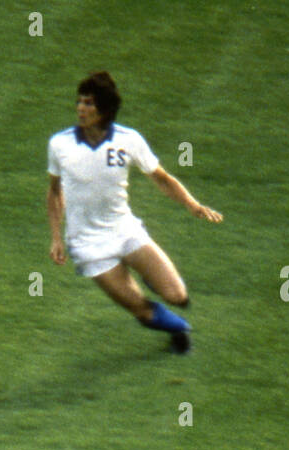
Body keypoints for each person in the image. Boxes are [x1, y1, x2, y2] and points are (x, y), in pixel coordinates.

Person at [47, 71, 223, 353]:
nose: (81, 108)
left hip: (125, 230)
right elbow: (55, 192)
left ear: (105, 108)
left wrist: (193, 205)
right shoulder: (60, 144)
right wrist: (56, 237)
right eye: (79, 102)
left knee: (178, 295)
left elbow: (161, 178)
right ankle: (179, 329)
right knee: (142, 311)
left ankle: (149, 278)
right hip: (88, 245)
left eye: (89, 103)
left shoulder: (129, 140)